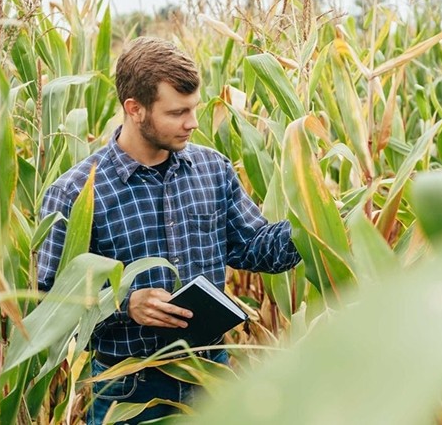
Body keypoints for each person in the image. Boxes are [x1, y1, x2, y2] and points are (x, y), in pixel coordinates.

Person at [37, 36, 301, 424]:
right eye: (177, 113)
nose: (192, 123)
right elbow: (51, 304)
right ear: (135, 109)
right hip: (127, 386)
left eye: (193, 109)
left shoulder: (213, 169)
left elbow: (256, 247)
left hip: (210, 373)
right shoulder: (78, 192)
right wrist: (125, 304)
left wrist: (316, 226)